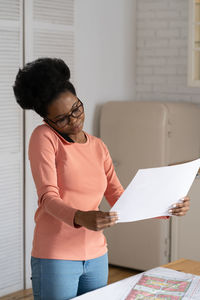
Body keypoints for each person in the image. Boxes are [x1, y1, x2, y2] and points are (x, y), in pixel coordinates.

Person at [13, 58, 190, 300]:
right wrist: (80, 216)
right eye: (62, 119)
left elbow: (119, 196)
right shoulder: (44, 138)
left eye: (76, 109)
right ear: (47, 120)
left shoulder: (98, 146)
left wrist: (168, 206)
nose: (74, 120)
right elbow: (47, 197)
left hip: (97, 255)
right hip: (56, 256)